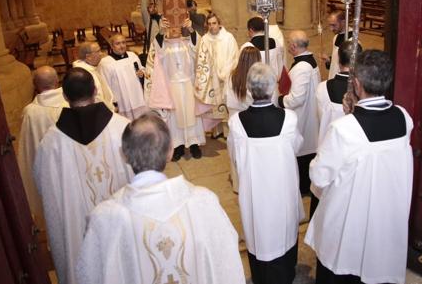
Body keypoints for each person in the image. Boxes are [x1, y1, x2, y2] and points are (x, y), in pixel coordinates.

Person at [76, 112, 245, 284]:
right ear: (170, 151)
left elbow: (89, 275)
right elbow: (228, 265)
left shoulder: (104, 218)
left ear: (123, 155)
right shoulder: (204, 203)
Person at [305, 50, 414, 284]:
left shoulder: (344, 129)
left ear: (356, 83)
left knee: (343, 268)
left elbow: (319, 175)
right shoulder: (404, 119)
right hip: (386, 217)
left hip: (349, 224)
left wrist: (350, 117)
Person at [33, 68, 132, 284]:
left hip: (79, 233)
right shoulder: (122, 127)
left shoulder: (51, 143)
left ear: (65, 96)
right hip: (122, 227)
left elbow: (44, 187)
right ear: (96, 90)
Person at [228, 63, 304, 284]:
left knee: (257, 231)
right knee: (284, 230)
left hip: (254, 194)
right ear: (273, 88)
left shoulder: (236, 123)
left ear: (250, 89)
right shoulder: (288, 119)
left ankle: (261, 276)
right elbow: (296, 147)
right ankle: (286, 273)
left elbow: (234, 156)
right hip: (282, 191)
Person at [310, 40, 362, 217]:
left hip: (327, 153)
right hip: (353, 161)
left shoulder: (323, 88)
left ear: (338, 61)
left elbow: (320, 117)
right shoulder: (364, 92)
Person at [145, 17, 205, 160]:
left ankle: (194, 144)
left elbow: (198, 47)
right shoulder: (163, 45)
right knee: (174, 117)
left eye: (177, 27)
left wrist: (191, 29)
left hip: (188, 85)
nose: (175, 29)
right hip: (171, 86)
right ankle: (177, 146)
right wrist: (161, 31)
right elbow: (157, 47)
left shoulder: (187, 42)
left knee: (192, 115)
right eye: (171, 27)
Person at [17, 66, 68, 223]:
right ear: (57, 81)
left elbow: (28, 148)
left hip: (48, 171)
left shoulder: (30, 112)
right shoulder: (68, 102)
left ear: (35, 85)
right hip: (70, 166)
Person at [278, 30, 320, 196]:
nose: (288, 45)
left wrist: (279, 101)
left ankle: (303, 188)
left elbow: (297, 99)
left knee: (303, 151)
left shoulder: (302, 67)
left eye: (289, 42)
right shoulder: (307, 60)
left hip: (303, 115)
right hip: (308, 113)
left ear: (294, 46)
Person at [224, 46, 263, 192]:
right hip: (250, 120)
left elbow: (226, 97)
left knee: (235, 153)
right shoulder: (256, 78)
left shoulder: (231, 76)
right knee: (249, 157)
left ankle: (237, 184)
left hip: (234, 120)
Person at [194, 13, 239, 136]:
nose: (212, 26)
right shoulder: (204, 39)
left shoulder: (228, 38)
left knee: (225, 104)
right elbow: (200, 58)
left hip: (226, 76)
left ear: (219, 24)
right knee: (213, 105)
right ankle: (216, 131)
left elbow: (234, 56)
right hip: (211, 79)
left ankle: (226, 132)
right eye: (209, 24)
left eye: (214, 23)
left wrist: (224, 72)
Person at [97, 34, 147, 119]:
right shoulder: (105, 63)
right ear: (112, 46)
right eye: (118, 43)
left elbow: (143, 70)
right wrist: (113, 102)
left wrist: (142, 74)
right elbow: (105, 85)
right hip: (121, 102)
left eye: (123, 43)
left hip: (138, 98)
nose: (121, 46)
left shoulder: (133, 56)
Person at [241, 16, 285, 81]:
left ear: (251, 30)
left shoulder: (247, 46)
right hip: (272, 84)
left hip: (255, 85)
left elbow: (242, 70)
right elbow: (280, 65)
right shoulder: (276, 42)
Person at [73, 42, 114, 110]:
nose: (101, 54)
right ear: (88, 57)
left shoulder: (91, 67)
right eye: (98, 51)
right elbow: (96, 97)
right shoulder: (85, 75)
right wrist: (111, 108)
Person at [326, 11, 354, 80]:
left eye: (334, 25)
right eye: (330, 25)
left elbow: (352, 66)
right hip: (334, 79)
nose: (331, 29)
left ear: (343, 22)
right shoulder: (336, 37)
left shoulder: (352, 41)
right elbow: (337, 59)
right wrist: (329, 60)